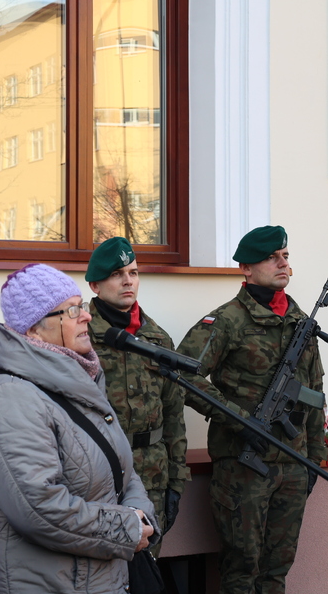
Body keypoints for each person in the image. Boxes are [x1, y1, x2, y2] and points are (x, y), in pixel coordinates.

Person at [0, 263, 159, 594]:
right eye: (72, 310)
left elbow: (123, 472)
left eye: (82, 306)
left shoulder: (81, 384)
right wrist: (127, 529)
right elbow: (39, 509)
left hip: (97, 580)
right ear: (34, 329)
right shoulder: (11, 397)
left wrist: (142, 518)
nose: (87, 316)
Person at [176, 225, 326, 594]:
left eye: (285, 256)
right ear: (246, 268)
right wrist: (239, 420)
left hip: (293, 464)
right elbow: (181, 375)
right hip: (244, 466)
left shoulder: (300, 322)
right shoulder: (227, 320)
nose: (282, 263)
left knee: (276, 571)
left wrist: (314, 459)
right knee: (241, 570)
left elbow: (314, 391)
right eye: (271, 257)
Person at [84, 237, 188, 552]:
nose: (128, 281)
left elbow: (174, 413)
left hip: (152, 474)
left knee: (147, 566)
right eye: (117, 274)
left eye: (133, 272)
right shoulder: (80, 337)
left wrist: (176, 481)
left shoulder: (157, 339)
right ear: (95, 285)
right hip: (97, 474)